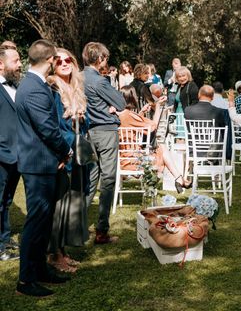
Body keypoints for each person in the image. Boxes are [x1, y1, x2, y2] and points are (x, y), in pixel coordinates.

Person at [15, 40, 72, 297]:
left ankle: (39, 270)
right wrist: (66, 150)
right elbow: (47, 128)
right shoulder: (34, 88)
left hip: (43, 162)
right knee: (36, 222)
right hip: (39, 165)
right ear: (50, 60)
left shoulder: (32, 84)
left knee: (44, 221)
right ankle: (26, 280)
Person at [46, 49, 90, 274]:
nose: (64, 64)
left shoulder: (77, 88)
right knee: (59, 206)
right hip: (63, 154)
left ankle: (62, 251)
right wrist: (63, 150)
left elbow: (86, 123)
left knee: (71, 202)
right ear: (52, 65)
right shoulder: (52, 88)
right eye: (59, 61)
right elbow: (51, 126)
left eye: (68, 60)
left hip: (77, 154)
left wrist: (82, 116)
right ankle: (54, 254)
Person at [83, 42, 126, 245]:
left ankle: (77, 226)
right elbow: (121, 103)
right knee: (107, 180)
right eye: (105, 58)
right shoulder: (100, 81)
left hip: (88, 132)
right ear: (100, 58)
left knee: (90, 179)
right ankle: (102, 230)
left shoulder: (78, 78)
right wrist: (110, 102)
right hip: (106, 131)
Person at [117, 86, 190, 191]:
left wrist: (141, 112)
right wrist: (158, 106)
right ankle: (178, 178)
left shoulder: (121, 114)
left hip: (123, 158)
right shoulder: (129, 115)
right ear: (133, 98)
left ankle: (179, 178)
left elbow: (132, 123)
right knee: (162, 147)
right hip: (133, 161)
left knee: (161, 147)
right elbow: (153, 126)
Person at [0, 44, 22, 262]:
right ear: (1, 64)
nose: (19, 64)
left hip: (17, 154)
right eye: (15, 61)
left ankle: (4, 238)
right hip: (1, 153)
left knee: (6, 201)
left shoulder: (16, 86)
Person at [183, 85, 232, 160]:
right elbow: (223, 130)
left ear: (199, 95)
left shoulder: (188, 110)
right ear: (212, 97)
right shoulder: (218, 112)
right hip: (213, 150)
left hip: (193, 148)